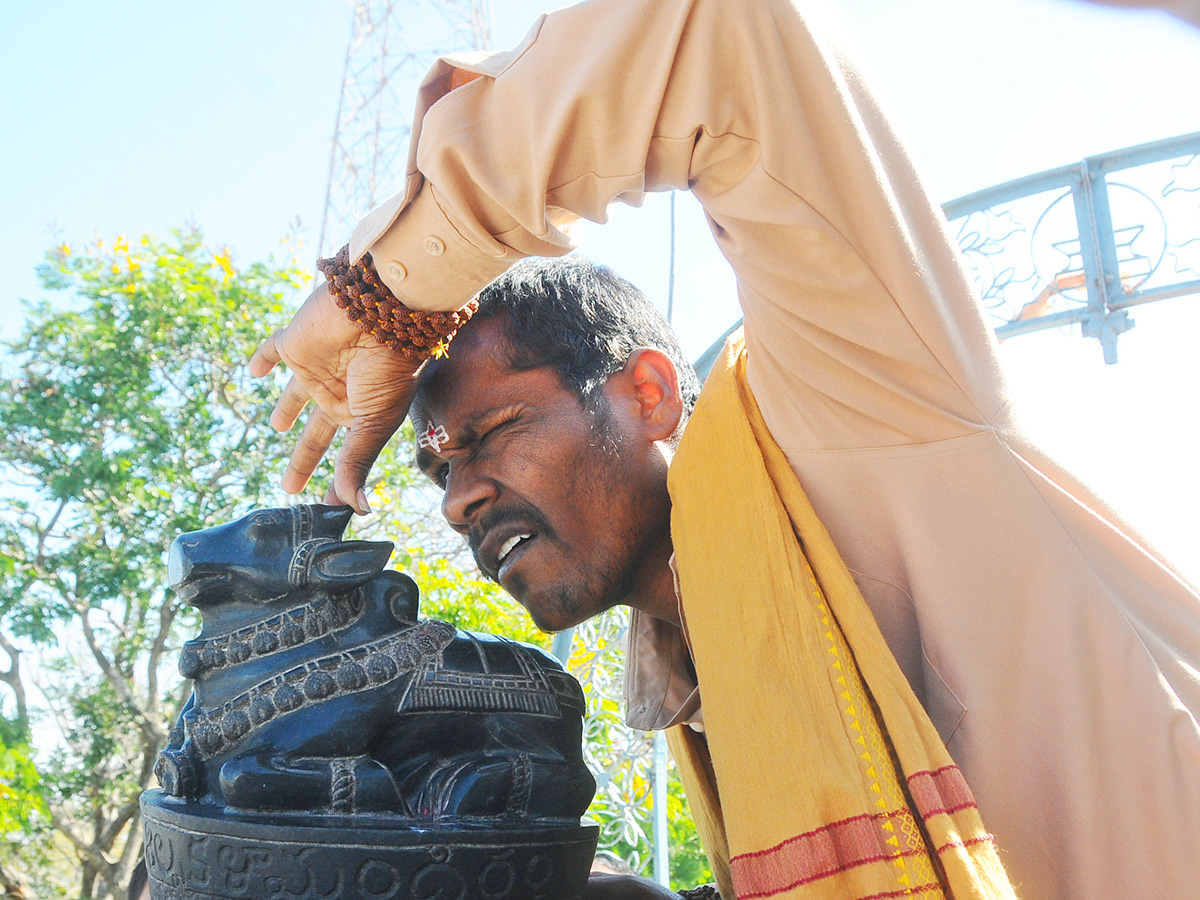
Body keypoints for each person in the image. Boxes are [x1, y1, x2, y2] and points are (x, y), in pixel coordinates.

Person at [248, 0, 1200, 897]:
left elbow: (726, 37)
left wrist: (391, 289)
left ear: (650, 393)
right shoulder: (705, 678)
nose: (458, 501)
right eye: (441, 469)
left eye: (493, 434)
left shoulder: (862, 410)